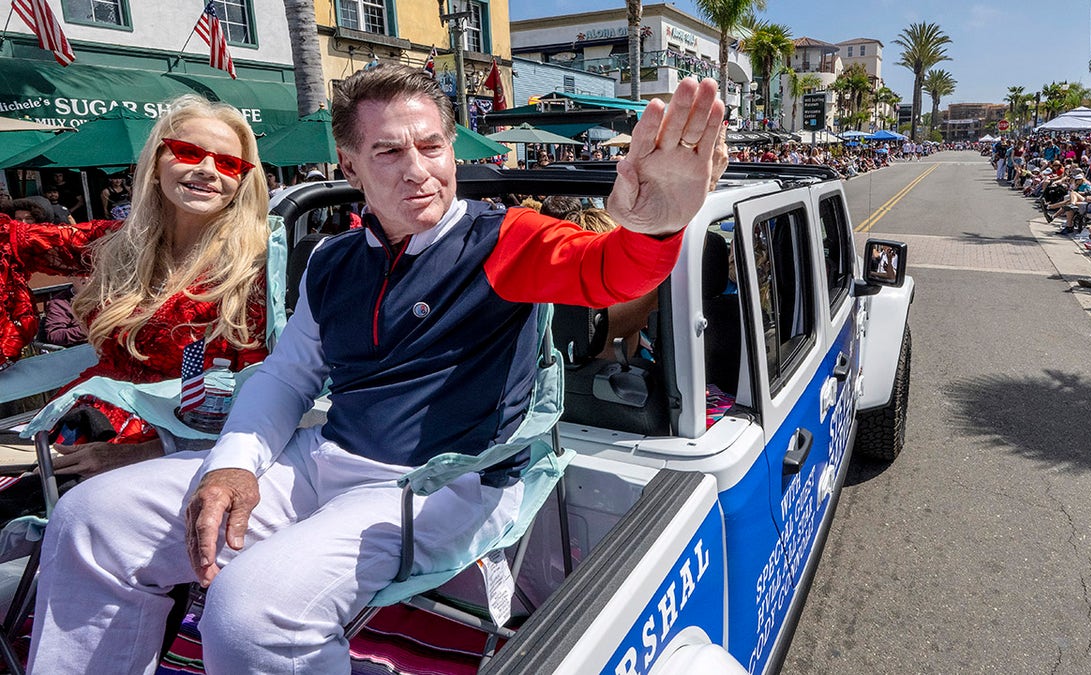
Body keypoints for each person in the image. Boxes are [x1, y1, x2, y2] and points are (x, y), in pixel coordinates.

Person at [29, 66, 726, 673]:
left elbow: (603, 271)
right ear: (350, 166)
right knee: (93, 518)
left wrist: (654, 229)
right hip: (325, 456)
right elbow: (288, 375)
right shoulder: (333, 261)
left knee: (248, 612)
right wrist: (235, 462)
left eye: (431, 145)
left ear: (451, 148)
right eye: (389, 151)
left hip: (445, 482)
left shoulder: (506, 237)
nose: (418, 169)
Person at [0, 94, 270, 476]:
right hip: (83, 427)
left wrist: (142, 453)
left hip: (183, 453)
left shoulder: (259, 264)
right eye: (188, 152)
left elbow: (260, 393)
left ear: (242, 181)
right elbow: (10, 239)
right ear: (156, 165)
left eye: (227, 163)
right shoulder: (115, 243)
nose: (208, 169)